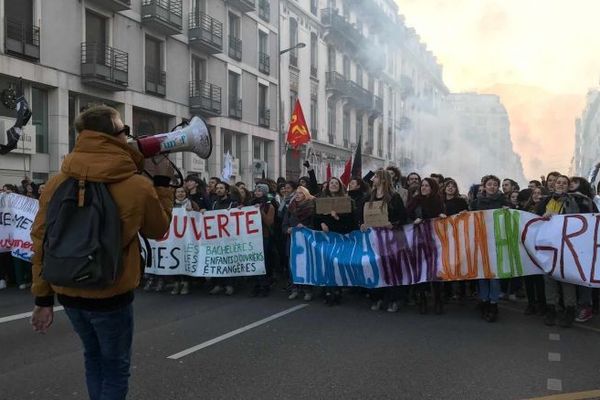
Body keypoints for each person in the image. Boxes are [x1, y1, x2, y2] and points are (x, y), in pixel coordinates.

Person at [29, 105, 174, 400]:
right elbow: (158, 230)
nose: (128, 137)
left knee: (92, 357)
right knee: (115, 367)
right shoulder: (137, 185)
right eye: (125, 131)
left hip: (67, 289)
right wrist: (161, 183)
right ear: (112, 137)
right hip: (111, 292)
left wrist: (43, 298)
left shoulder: (56, 182)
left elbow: (41, 239)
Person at [535, 175, 594, 327]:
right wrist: (543, 217)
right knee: (549, 277)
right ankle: (551, 309)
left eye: (564, 183)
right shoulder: (545, 201)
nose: (560, 185)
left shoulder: (574, 201)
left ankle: (569, 310)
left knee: (566, 278)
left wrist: (559, 217)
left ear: (568, 186)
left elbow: (578, 220)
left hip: (567, 247)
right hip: (548, 247)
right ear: (553, 185)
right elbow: (534, 221)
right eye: (558, 182)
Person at [361, 169, 408, 313]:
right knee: (375, 268)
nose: (373, 179)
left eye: (375, 177)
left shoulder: (394, 197)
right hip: (373, 238)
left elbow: (403, 217)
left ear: (382, 180)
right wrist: (362, 224)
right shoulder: (369, 196)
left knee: (392, 268)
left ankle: (394, 299)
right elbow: (361, 215)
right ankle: (377, 298)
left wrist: (392, 224)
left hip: (390, 238)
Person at [470, 175, 511, 322]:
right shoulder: (476, 203)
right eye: (489, 184)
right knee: (482, 275)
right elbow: (470, 219)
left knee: (494, 276)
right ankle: (484, 301)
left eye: (495, 184)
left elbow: (512, 218)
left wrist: (509, 211)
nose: (492, 187)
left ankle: (493, 304)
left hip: (497, 243)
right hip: (481, 242)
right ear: (484, 186)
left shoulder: (504, 202)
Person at [407, 178, 447, 314]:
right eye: (422, 185)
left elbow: (444, 219)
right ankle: (422, 299)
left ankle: (438, 300)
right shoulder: (415, 201)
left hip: (435, 240)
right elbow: (406, 217)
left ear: (433, 187)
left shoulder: (438, 201)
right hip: (418, 240)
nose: (423, 188)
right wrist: (413, 221)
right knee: (421, 270)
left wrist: (442, 217)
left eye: (427, 186)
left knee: (435, 270)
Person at [315, 177, 357, 305]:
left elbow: (351, 223)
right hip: (325, 237)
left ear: (340, 186)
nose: (333, 185)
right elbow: (316, 217)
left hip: (339, 237)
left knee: (336, 265)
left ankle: (337, 290)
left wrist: (337, 217)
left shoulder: (347, 201)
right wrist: (321, 223)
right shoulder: (321, 201)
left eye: (336, 183)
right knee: (326, 264)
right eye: (331, 183)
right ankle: (328, 290)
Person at [282, 186, 316, 301]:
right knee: (292, 266)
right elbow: (284, 225)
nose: (297, 195)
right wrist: (288, 229)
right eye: (296, 193)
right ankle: (294, 289)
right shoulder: (290, 208)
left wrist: (305, 227)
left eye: (300, 193)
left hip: (306, 242)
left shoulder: (311, 208)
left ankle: (307, 290)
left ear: (305, 195)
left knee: (306, 265)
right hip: (292, 241)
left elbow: (315, 226)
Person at [208, 182, 238, 296]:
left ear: (227, 191)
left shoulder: (233, 203)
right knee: (217, 260)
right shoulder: (214, 203)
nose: (219, 190)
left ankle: (229, 285)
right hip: (216, 237)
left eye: (221, 188)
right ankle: (218, 284)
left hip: (229, 237)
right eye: (217, 188)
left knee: (228, 261)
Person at [522, 186, 547, 316]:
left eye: (540, 193)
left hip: (542, 247)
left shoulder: (547, 208)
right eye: (534, 193)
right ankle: (531, 303)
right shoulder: (525, 209)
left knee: (540, 278)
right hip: (528, 247)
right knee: (529, 277)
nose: (537, 195)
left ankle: (542, 304)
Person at [170, 188, 199, 296]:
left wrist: (193, 212)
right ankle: (176, 282)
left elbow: (199, 218)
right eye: (178, 192)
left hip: (188, 237)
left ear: (186, 193)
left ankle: (186, 282)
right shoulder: (170, 204)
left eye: (182, 192)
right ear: (175, 194)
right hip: (173, 238)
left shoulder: (192, 204)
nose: (180, 194)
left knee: (186, 259)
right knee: (174, 259)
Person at [250, 184, 276, 297]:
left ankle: (264, 285)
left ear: (265, 192)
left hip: (263, 236)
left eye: (260, 190)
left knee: (263, 261)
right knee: (254, 260)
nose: (257, 192)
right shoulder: (250, 203)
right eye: (256, 190)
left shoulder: (269, 206)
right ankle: (256, 284)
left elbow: (269, 222)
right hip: (251, 236)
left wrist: (259, 211)